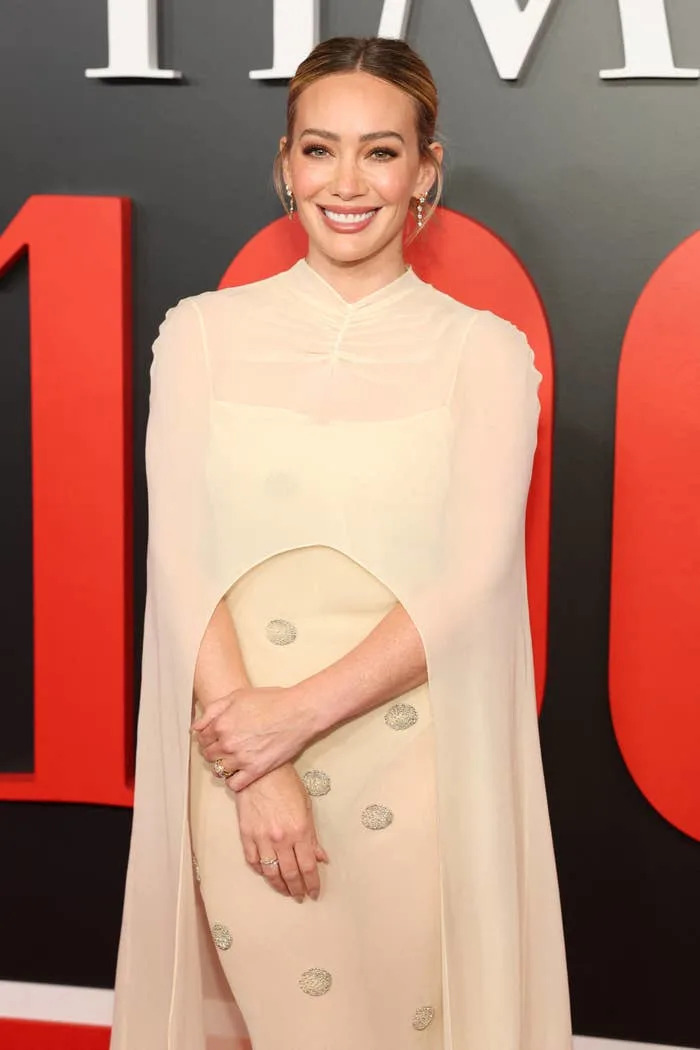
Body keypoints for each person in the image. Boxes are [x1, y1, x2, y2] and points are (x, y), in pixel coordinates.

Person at [110, 35, 572, 1050]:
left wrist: (295, 720)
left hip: (408, 763)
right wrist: (257, 759)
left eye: (380, 151)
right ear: (284, 166)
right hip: (234, 762)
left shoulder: (484, 354)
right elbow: (181, 558)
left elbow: (472, 578)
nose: (347, 181)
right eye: (319, 150)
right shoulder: (199, 334)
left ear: (425, 169)